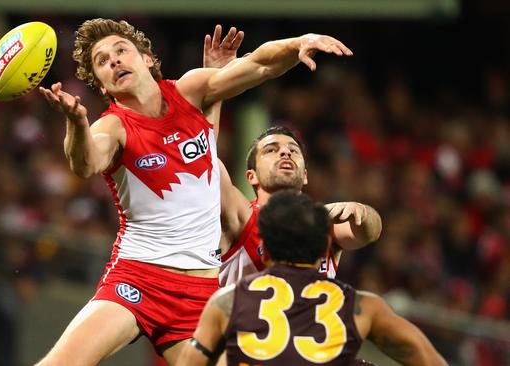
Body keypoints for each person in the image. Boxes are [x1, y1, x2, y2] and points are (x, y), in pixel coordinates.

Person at [36, 18, 352, 366]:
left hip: (200, 296)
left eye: (121, 50)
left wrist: (298, 42)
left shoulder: (191, 90)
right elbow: (85, 164)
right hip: (139, 278)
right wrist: (76, 123)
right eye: (102, 61)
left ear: (147, 59)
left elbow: (259, 64)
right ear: (103, 86)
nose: (113, 60)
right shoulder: (112, 126)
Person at [177, 191, 448, 366]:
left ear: (266, 250)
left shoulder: (227, 302)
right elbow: (429, 360)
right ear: (324, 251)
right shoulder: (362, 307)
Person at [218, 125, 382, 285]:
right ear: (251, 176)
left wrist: (363, 212)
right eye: (271, 150)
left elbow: (370, 233)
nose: (285, 152)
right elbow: (206, 163)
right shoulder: (241, 215)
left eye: (294, 150)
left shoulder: (323, 222)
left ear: (304, 176)